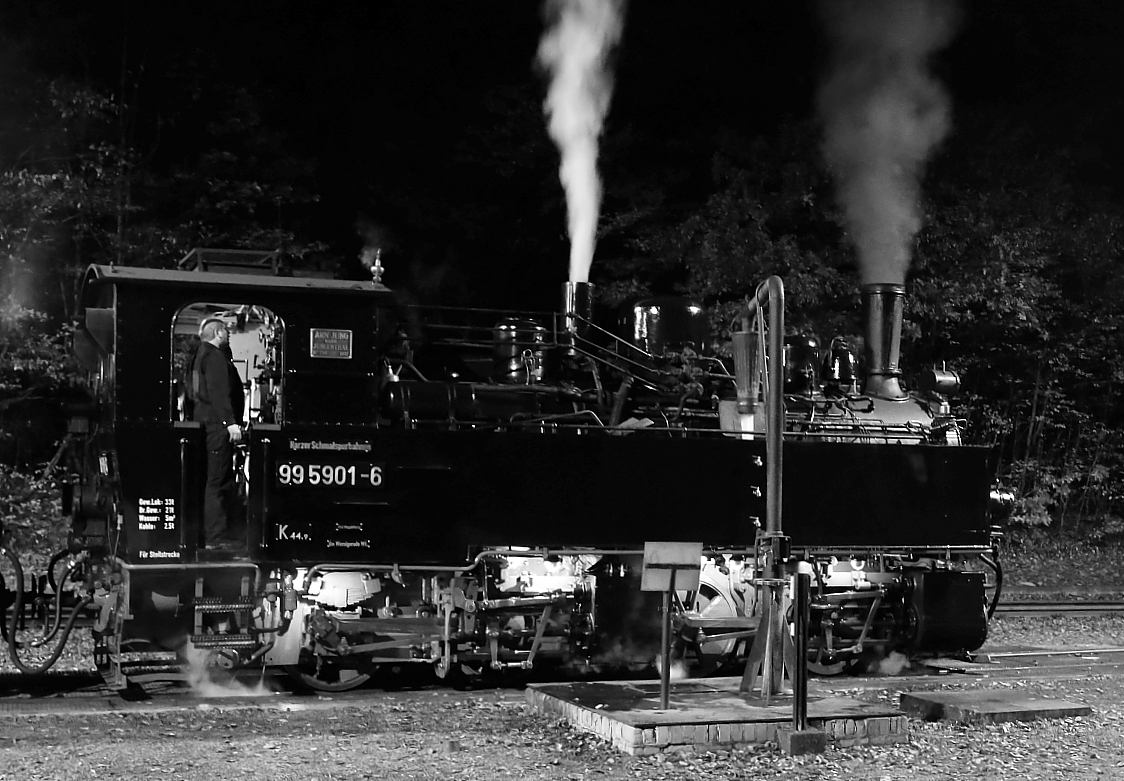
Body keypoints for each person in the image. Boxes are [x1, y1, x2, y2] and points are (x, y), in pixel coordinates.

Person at [189, 318, 246, 551]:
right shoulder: (214, 357)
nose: (229, 335)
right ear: (219, 333)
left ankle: (211, 534)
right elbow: (219, 392)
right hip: (215, 426)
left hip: (204, 423)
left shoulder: (199, 355)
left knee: (211, 480)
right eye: (227, 331)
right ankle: (216, 537)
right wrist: (230, 423)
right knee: (217, 480)